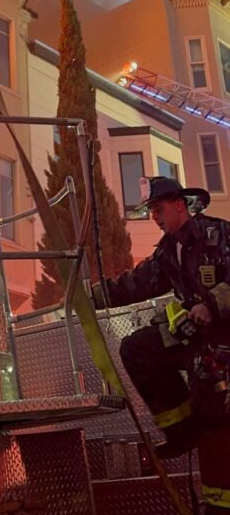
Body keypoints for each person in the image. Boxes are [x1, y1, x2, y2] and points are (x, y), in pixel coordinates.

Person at [92, 175, 230, 459]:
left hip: (223, 341)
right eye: (150, 211)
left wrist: (211, 304)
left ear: (179, 204)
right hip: (197, 341)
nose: (153, 217)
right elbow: (136, 284)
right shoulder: (168, 251)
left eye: (158, 209)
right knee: (136, 348)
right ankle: (181, 431)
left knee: (215, 418)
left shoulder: (218, 234)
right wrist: (89, 297)